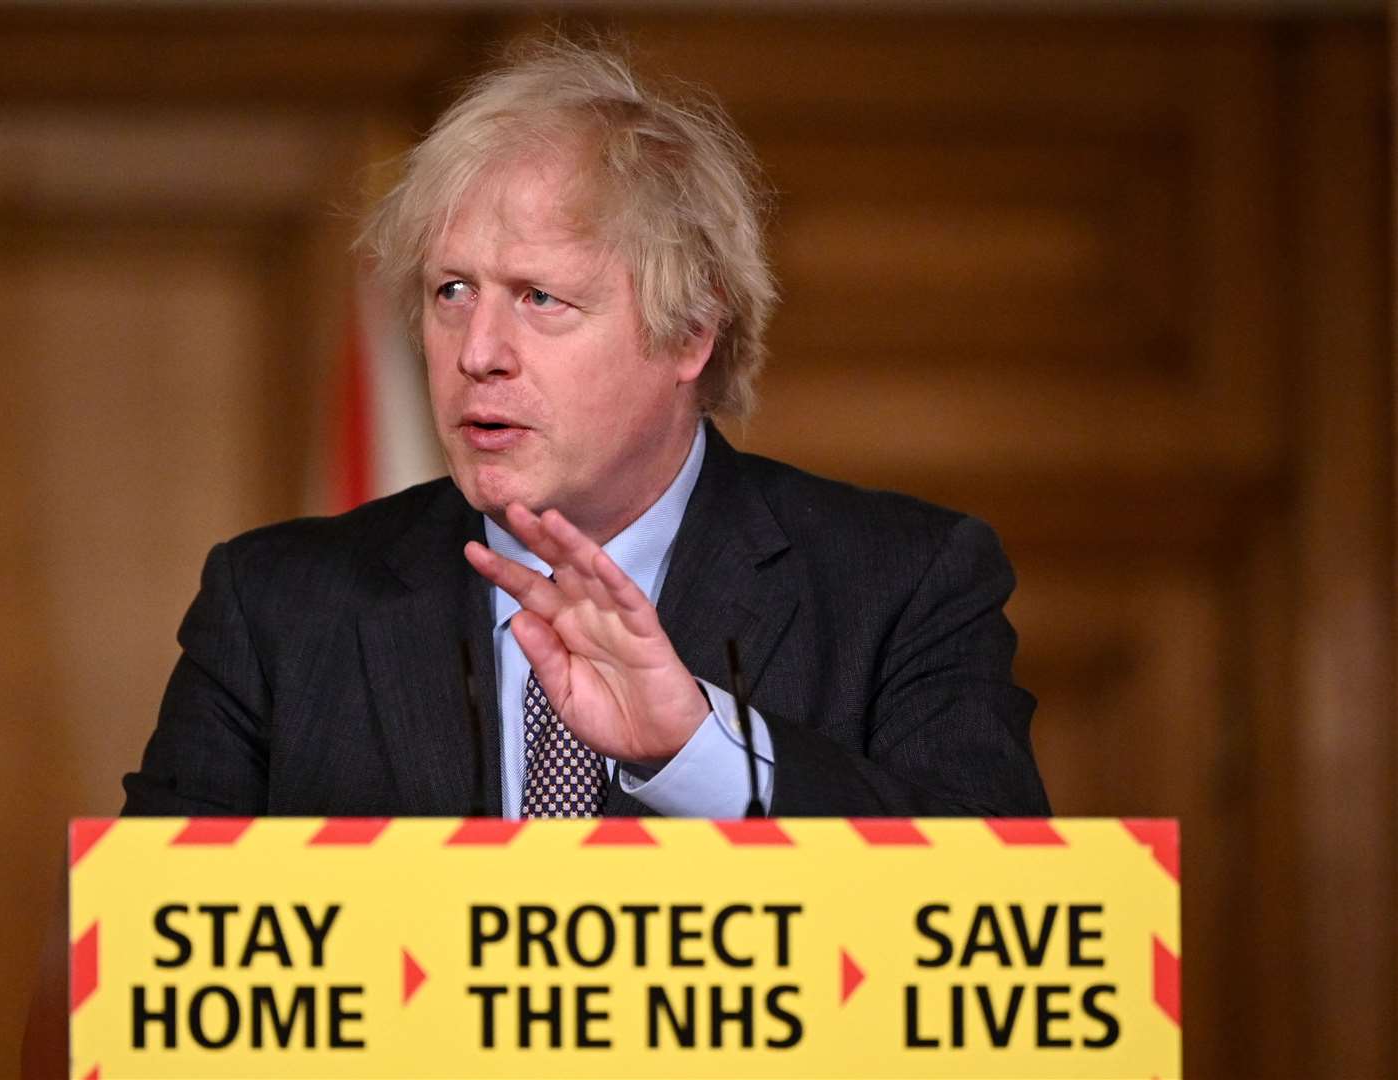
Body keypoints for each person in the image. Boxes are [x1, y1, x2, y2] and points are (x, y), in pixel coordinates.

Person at [119, 39, 1050, 822]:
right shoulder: (275, 606)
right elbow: (134, 961)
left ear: (688, 331)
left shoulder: (906, 586)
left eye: (539, 297)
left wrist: (700, 752)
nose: (477, 350)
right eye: (451, 291)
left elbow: (999, 919)